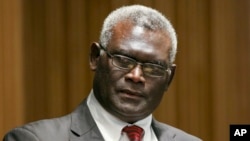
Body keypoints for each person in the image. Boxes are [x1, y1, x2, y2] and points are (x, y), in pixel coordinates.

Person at [3, 5, 202, 141]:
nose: (136, 76)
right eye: (123, 60)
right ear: (95, 57)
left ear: (169, 78)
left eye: (153, 68)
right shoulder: (34, 139)